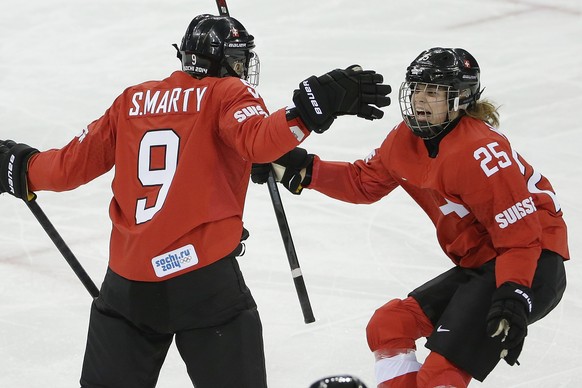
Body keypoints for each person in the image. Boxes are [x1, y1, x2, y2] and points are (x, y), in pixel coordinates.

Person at [0, 13, 390, 388]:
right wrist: (309, 110)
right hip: (202, 287)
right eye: (237, 60)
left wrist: (18, 166)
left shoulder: (131, 101)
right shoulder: (227, 93)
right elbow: (259, 140)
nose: (242, 69)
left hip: (126, 288)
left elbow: (66, 169)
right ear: (219, 62)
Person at [252, 47, 569, 387]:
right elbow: (363, 183)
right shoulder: (406, 139)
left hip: (529, 266)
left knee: (439, 375)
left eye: (433, 91)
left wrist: (513, 298)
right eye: (416, 88)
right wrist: (305, 169)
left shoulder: (478, 152)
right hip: (484, 265)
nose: (420, 98)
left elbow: (520, 238)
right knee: (390, 324)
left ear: (460, 99)